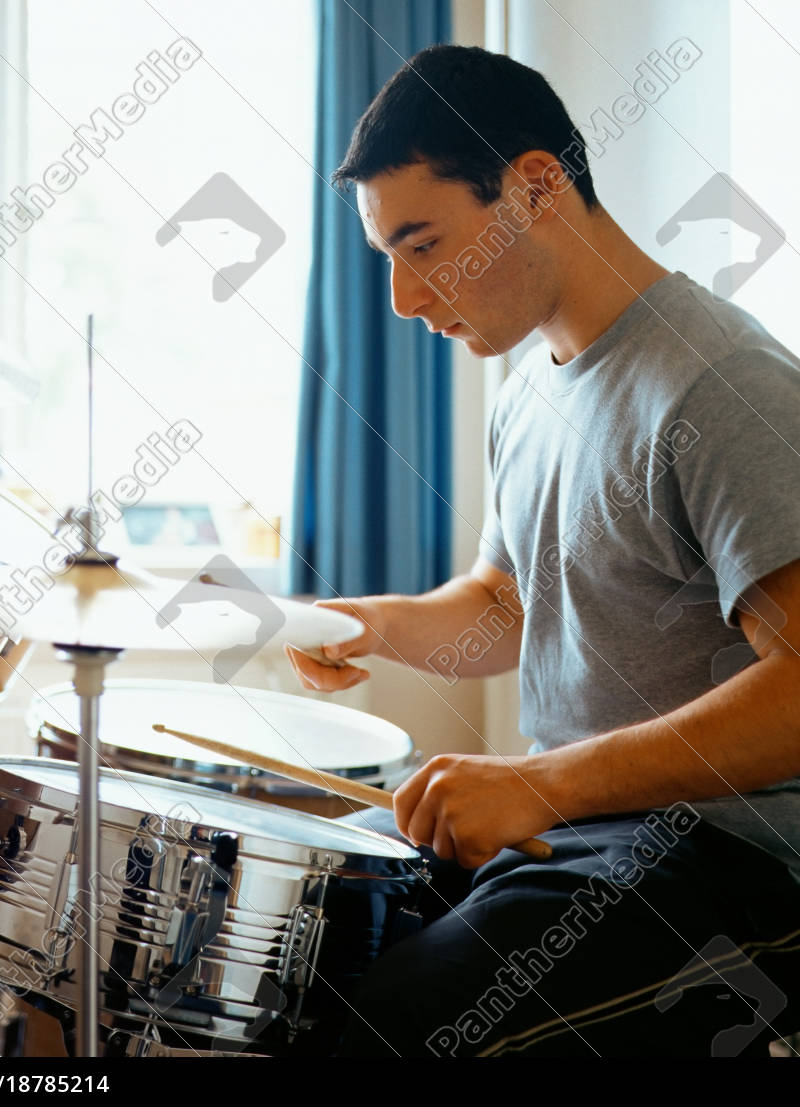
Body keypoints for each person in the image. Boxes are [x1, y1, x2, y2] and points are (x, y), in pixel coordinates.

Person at [286, 44, 800, 1057]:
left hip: (729, 857)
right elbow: (507, 605)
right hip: (575, 837)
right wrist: (367, 623)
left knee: (387, 1024)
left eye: (421, 244)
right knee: (302, 933)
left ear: (531, 187)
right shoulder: (528, 390)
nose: (400, 298)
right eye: (384, 256)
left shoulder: (720, 383)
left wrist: (540, 784)